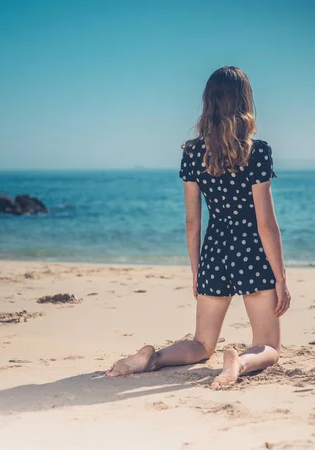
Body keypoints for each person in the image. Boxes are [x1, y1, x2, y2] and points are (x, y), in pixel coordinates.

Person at [106, 66, 291, 389]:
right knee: (269, 346)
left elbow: (193, 222)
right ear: (245, 102)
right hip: (252, 251)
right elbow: (265, 224)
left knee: (202, 344)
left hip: (215, 250)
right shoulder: (257, 152)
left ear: (209, 103)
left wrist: (197, 270)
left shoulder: (192, 153)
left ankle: (154, 358)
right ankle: (240, 361)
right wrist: (280, 277)